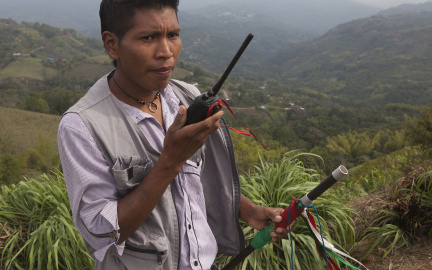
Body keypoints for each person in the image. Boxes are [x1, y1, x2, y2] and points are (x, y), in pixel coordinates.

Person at [58, 0, 288, 269]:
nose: (166, 52)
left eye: (173, 35)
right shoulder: (82, 126)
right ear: (112, 44)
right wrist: (170, 161)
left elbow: (197, 177)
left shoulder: (186, 97)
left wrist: (246, 209)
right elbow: (102, 230)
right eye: (148, 38)